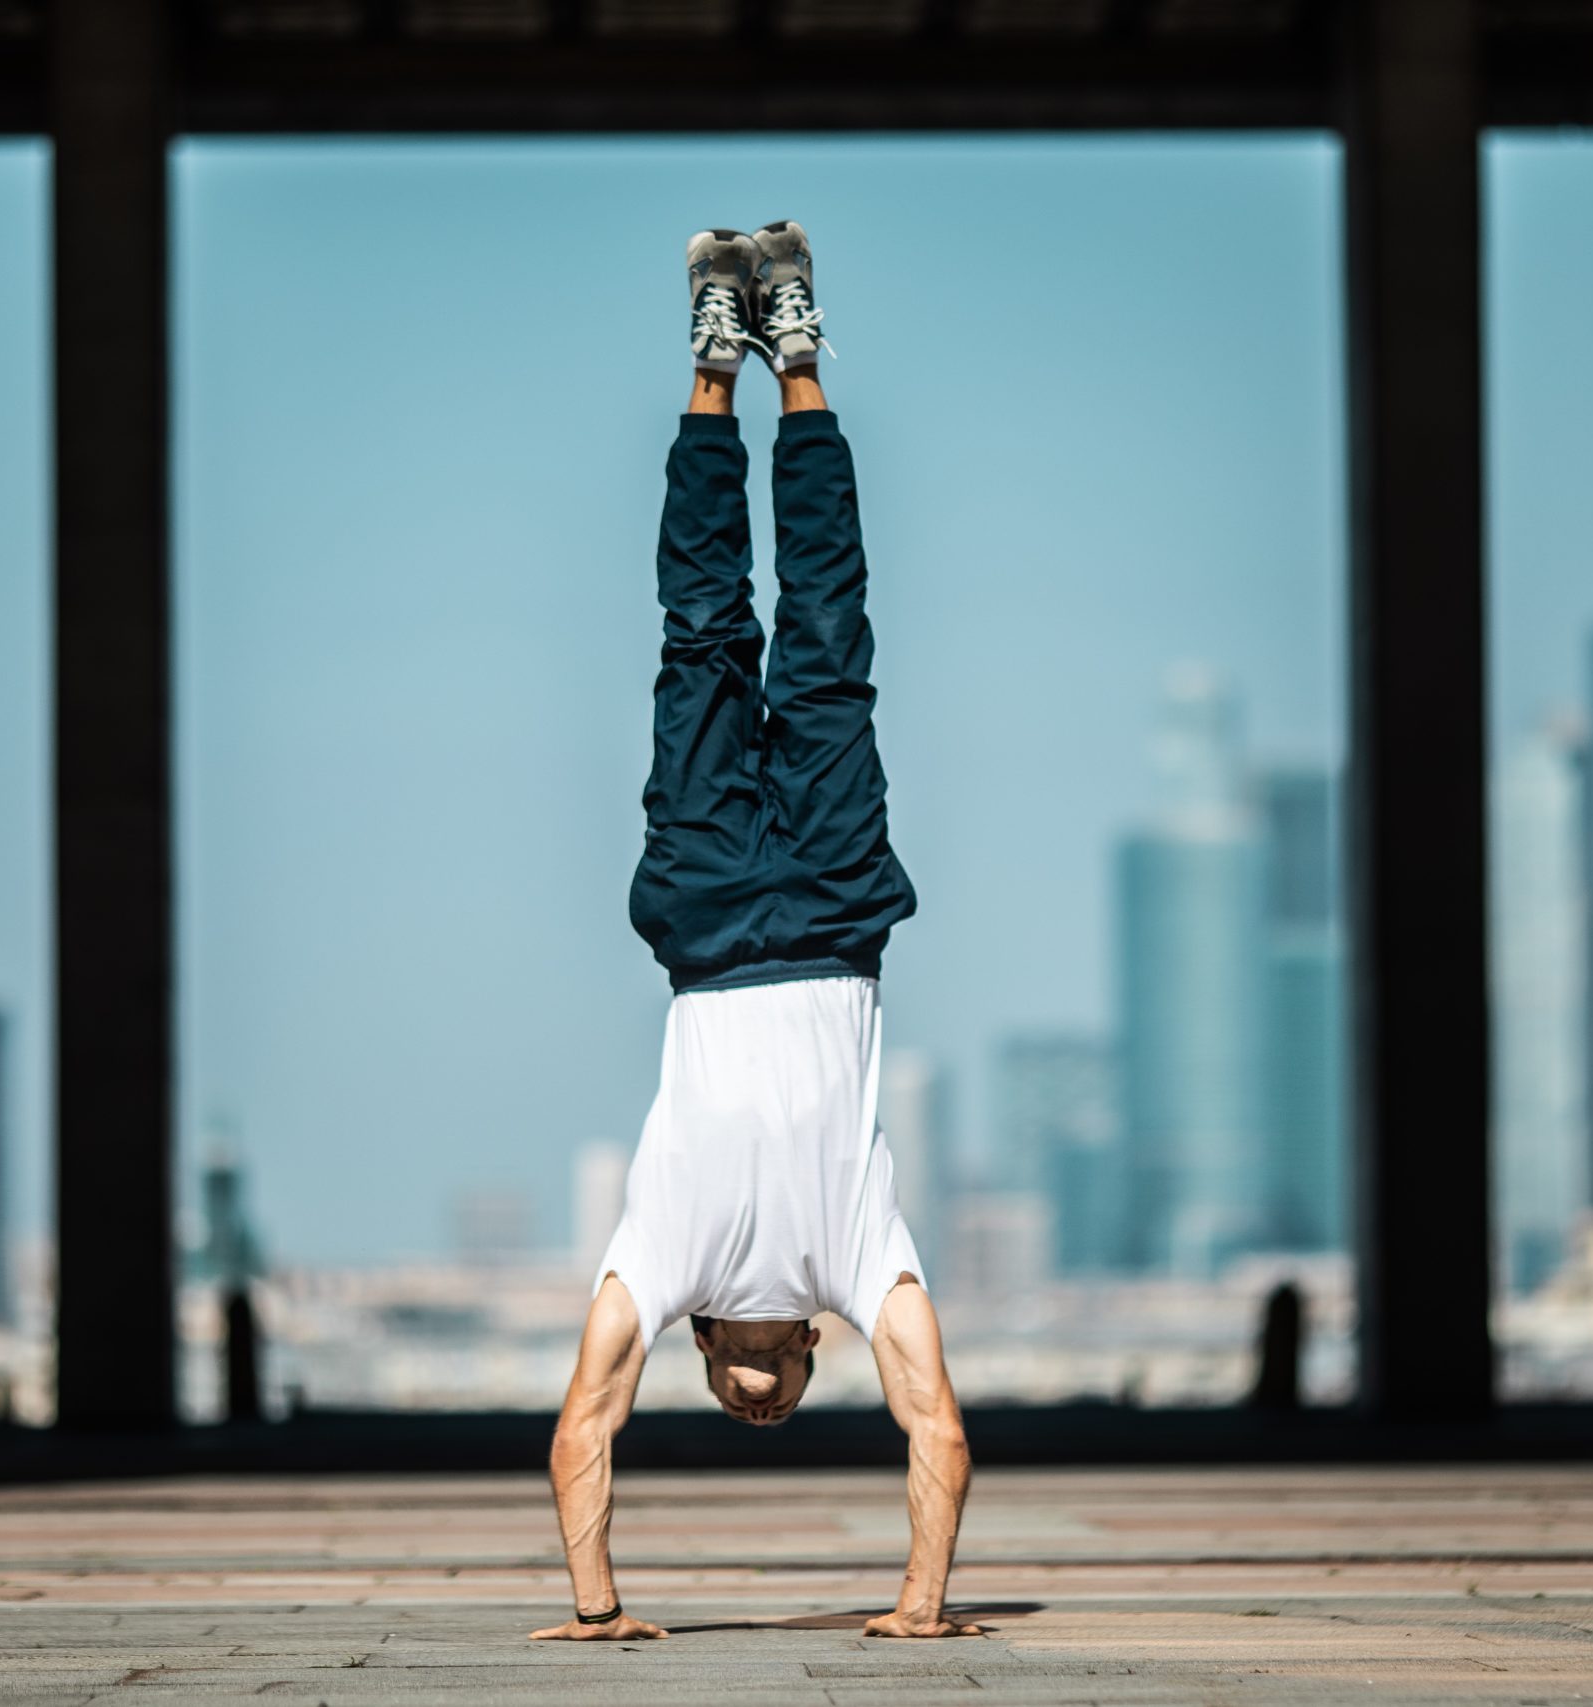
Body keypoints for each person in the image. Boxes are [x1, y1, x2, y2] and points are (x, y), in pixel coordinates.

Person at [528, 223, 980, 1645]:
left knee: (706, 634)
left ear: (711, 1358)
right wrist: (917, 1609)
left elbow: (583, 1422)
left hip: (715, 914)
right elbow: (941, 1430)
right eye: (774, 1396)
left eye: (738, 1397)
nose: (759, 1397)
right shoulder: (860, 1260)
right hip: (837, 908)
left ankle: (711, 370)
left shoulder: (664, 1261)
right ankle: (799, 357)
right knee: (829, 637)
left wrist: (598, 1607)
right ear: (807, 1354)